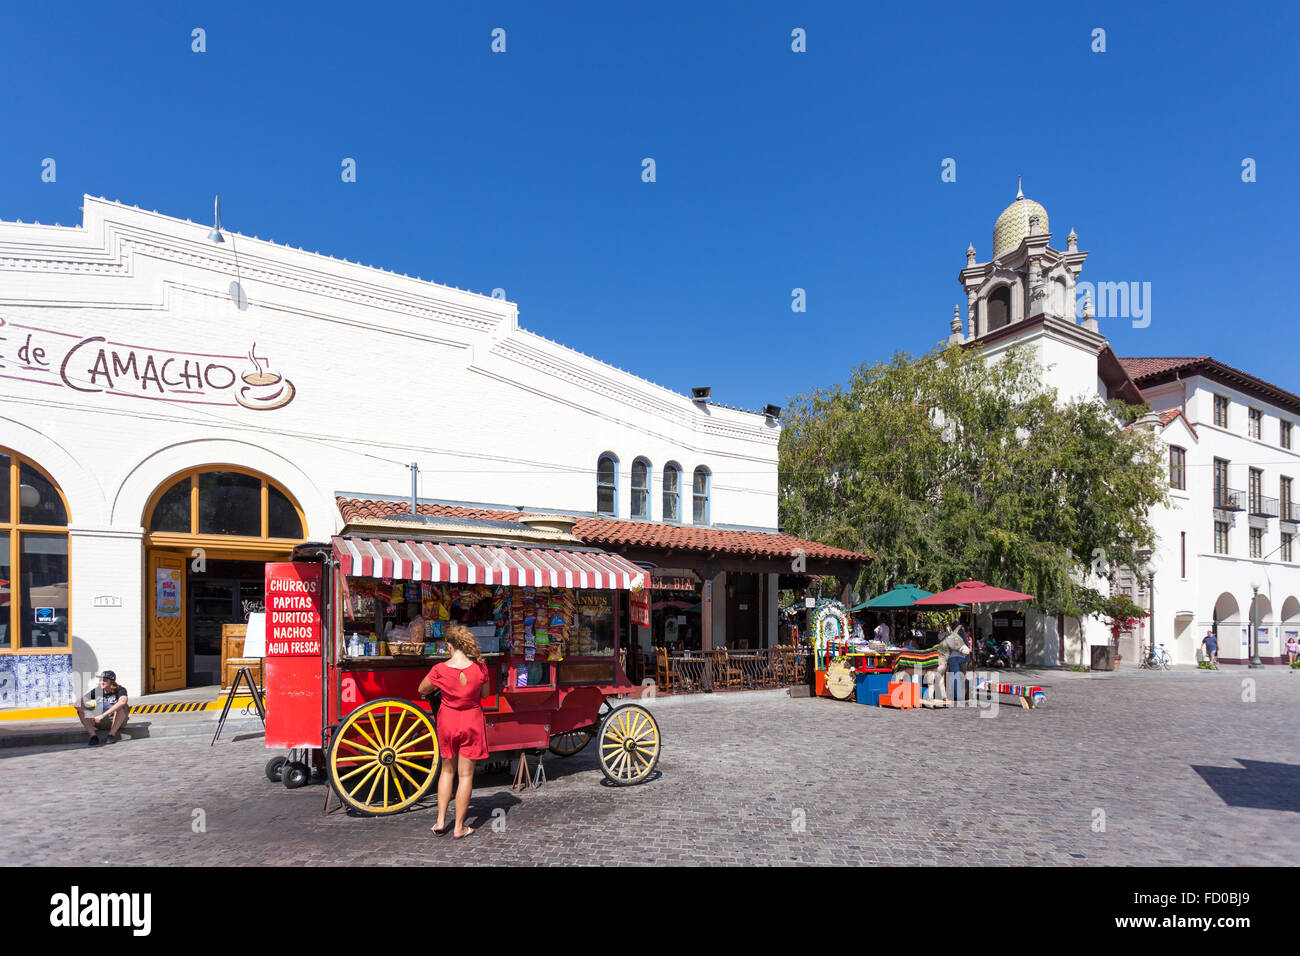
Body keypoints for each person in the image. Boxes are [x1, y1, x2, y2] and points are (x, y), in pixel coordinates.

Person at [418, 625, 489, 839]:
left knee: (447, 771)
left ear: (449, 645)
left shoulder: (440, 669)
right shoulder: (480, 668)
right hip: (472, 721)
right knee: (465, 775)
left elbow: (422, 689)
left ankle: (440, 821)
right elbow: (484, 694)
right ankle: (459, 827)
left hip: (448, 721)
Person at [75, 670, 129, 745]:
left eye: (105, 680)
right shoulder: (97, 690)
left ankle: (111, 735)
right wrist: (89, 713)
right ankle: (93, 737)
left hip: (116, 721)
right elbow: (77, 703)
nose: (101, 682)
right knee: (81, 711)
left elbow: (123, 701)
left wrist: (102, 715)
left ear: (111, 682)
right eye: (100, 680)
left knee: (122, 707)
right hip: (100, 722)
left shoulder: (120, 690)